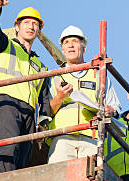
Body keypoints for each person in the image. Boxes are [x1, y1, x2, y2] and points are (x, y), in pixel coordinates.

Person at [0, 0, 52, 173]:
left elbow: (44, 100)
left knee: (22, 157)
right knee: (8, 148)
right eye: (26, 22)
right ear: (17, 27)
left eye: (35, 24)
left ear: (38, 31)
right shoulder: (5, 45)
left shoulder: (40, 66)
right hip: (5, 102)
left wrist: (43, 125)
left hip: (28, 111)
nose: (31, 26)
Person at [44, 25, 121, 163]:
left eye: (75, 41)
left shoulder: (98, 76)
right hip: (62, 137)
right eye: (66, 42)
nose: (71, 45)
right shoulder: (55, 77)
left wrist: (111, 110)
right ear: (62, 50)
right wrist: (60, 97)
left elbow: (115, 107)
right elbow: (47, 111)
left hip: (91, 138)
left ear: (84, 48)